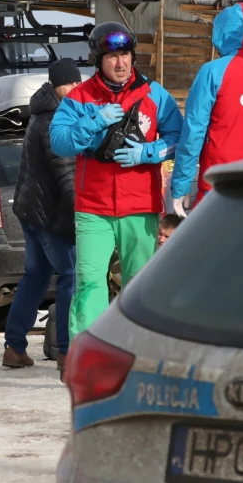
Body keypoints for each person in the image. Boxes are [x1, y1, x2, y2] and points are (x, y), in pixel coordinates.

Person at [50, 21, 182, 338]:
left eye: (125, 54)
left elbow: (179, 135)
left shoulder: (154, 93)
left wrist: (149, 152)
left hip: (140, 205)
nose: (120, 62)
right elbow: (59, 141)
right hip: (93, 207)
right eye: (112, 56)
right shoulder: (80, 97)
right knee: (89, 281)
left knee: (141, 284)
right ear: (98, 59)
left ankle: (139, 352)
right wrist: (93, 122)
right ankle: (85, 353)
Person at [169, 3, 243, 217]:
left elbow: (193, 132)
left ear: (222, 31)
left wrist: (181, 186)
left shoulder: (213, 71)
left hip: (219, 186)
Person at [4, 58, 80, 371]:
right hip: (47, 213)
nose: (74, 89)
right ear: (55, 83)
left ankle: (14, 346)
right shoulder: (53, 119)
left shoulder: (45, 111)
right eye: (68, 84)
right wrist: (82, 211)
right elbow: (65, 170)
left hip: (31, 209)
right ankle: (65, 350)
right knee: (71, 275)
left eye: (77, 83)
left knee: (35, 277)